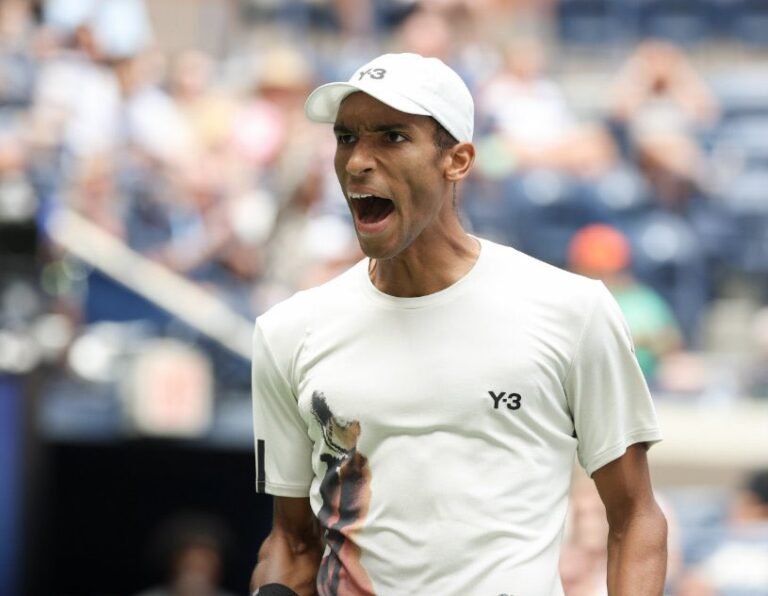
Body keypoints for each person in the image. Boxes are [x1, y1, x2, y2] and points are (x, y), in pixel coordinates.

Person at [250, 52, 667, 595]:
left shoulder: (572, 310)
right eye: (346, 137)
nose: (356, 162)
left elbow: (635, 518)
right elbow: (293, 543)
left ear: (459, 160)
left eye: (392, 137)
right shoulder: (287, 331)